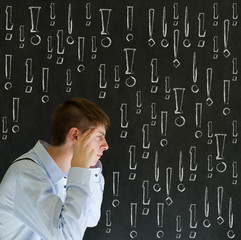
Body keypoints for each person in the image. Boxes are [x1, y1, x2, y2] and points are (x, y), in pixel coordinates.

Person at [0, 98, 110, 240]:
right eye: (99, 137)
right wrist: (80, 170)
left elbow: (90, 218)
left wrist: (90, 168)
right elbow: (67, 236)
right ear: (76, 136)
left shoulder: (63, 174)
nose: (106, 145)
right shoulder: (26, 174)